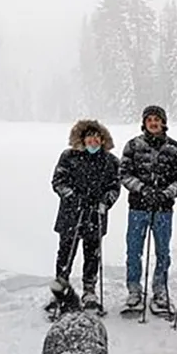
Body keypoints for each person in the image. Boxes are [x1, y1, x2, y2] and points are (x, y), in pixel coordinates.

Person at [118, 105, 177, 316]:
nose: (153, 122)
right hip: (138, 208)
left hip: (163, 209)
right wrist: (142, 189)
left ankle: (160, 290)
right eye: (149, 119)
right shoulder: (132, 146)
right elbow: (124, 174)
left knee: (163, 252)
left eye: (157, 119)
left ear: (163, 122)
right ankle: (134, 290)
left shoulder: (175, 148)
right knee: (134, 250)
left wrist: (166, 193)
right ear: (144, 123)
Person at [47, 119, 120, 312]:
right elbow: (58, 181)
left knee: (92, 254)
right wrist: (72, 197)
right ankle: (60, 290)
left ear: (103, 140)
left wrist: (105, 201)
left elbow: (115, 187)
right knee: (65, 255)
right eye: (89, 137)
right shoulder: (69, 156)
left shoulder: (111, 161)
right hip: (71, 215)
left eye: (97, 138)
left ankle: (90, 290)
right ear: (83, 139)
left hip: (96, 215)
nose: (93, 141)